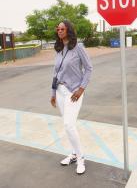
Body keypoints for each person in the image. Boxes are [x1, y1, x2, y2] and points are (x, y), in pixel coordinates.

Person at [50, 20, 92, 175]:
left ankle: (81, 158)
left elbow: (88, 68)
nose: (59, 30)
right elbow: (55, 73)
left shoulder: (78, 47)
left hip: (74, 92)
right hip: (60, 91)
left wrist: (81, 89)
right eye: (58, 28)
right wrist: (53, 93)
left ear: (68, 30)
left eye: (62, 28)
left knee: (69, 125)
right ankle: (73, 154)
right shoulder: (59, 49)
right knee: (67, 125)